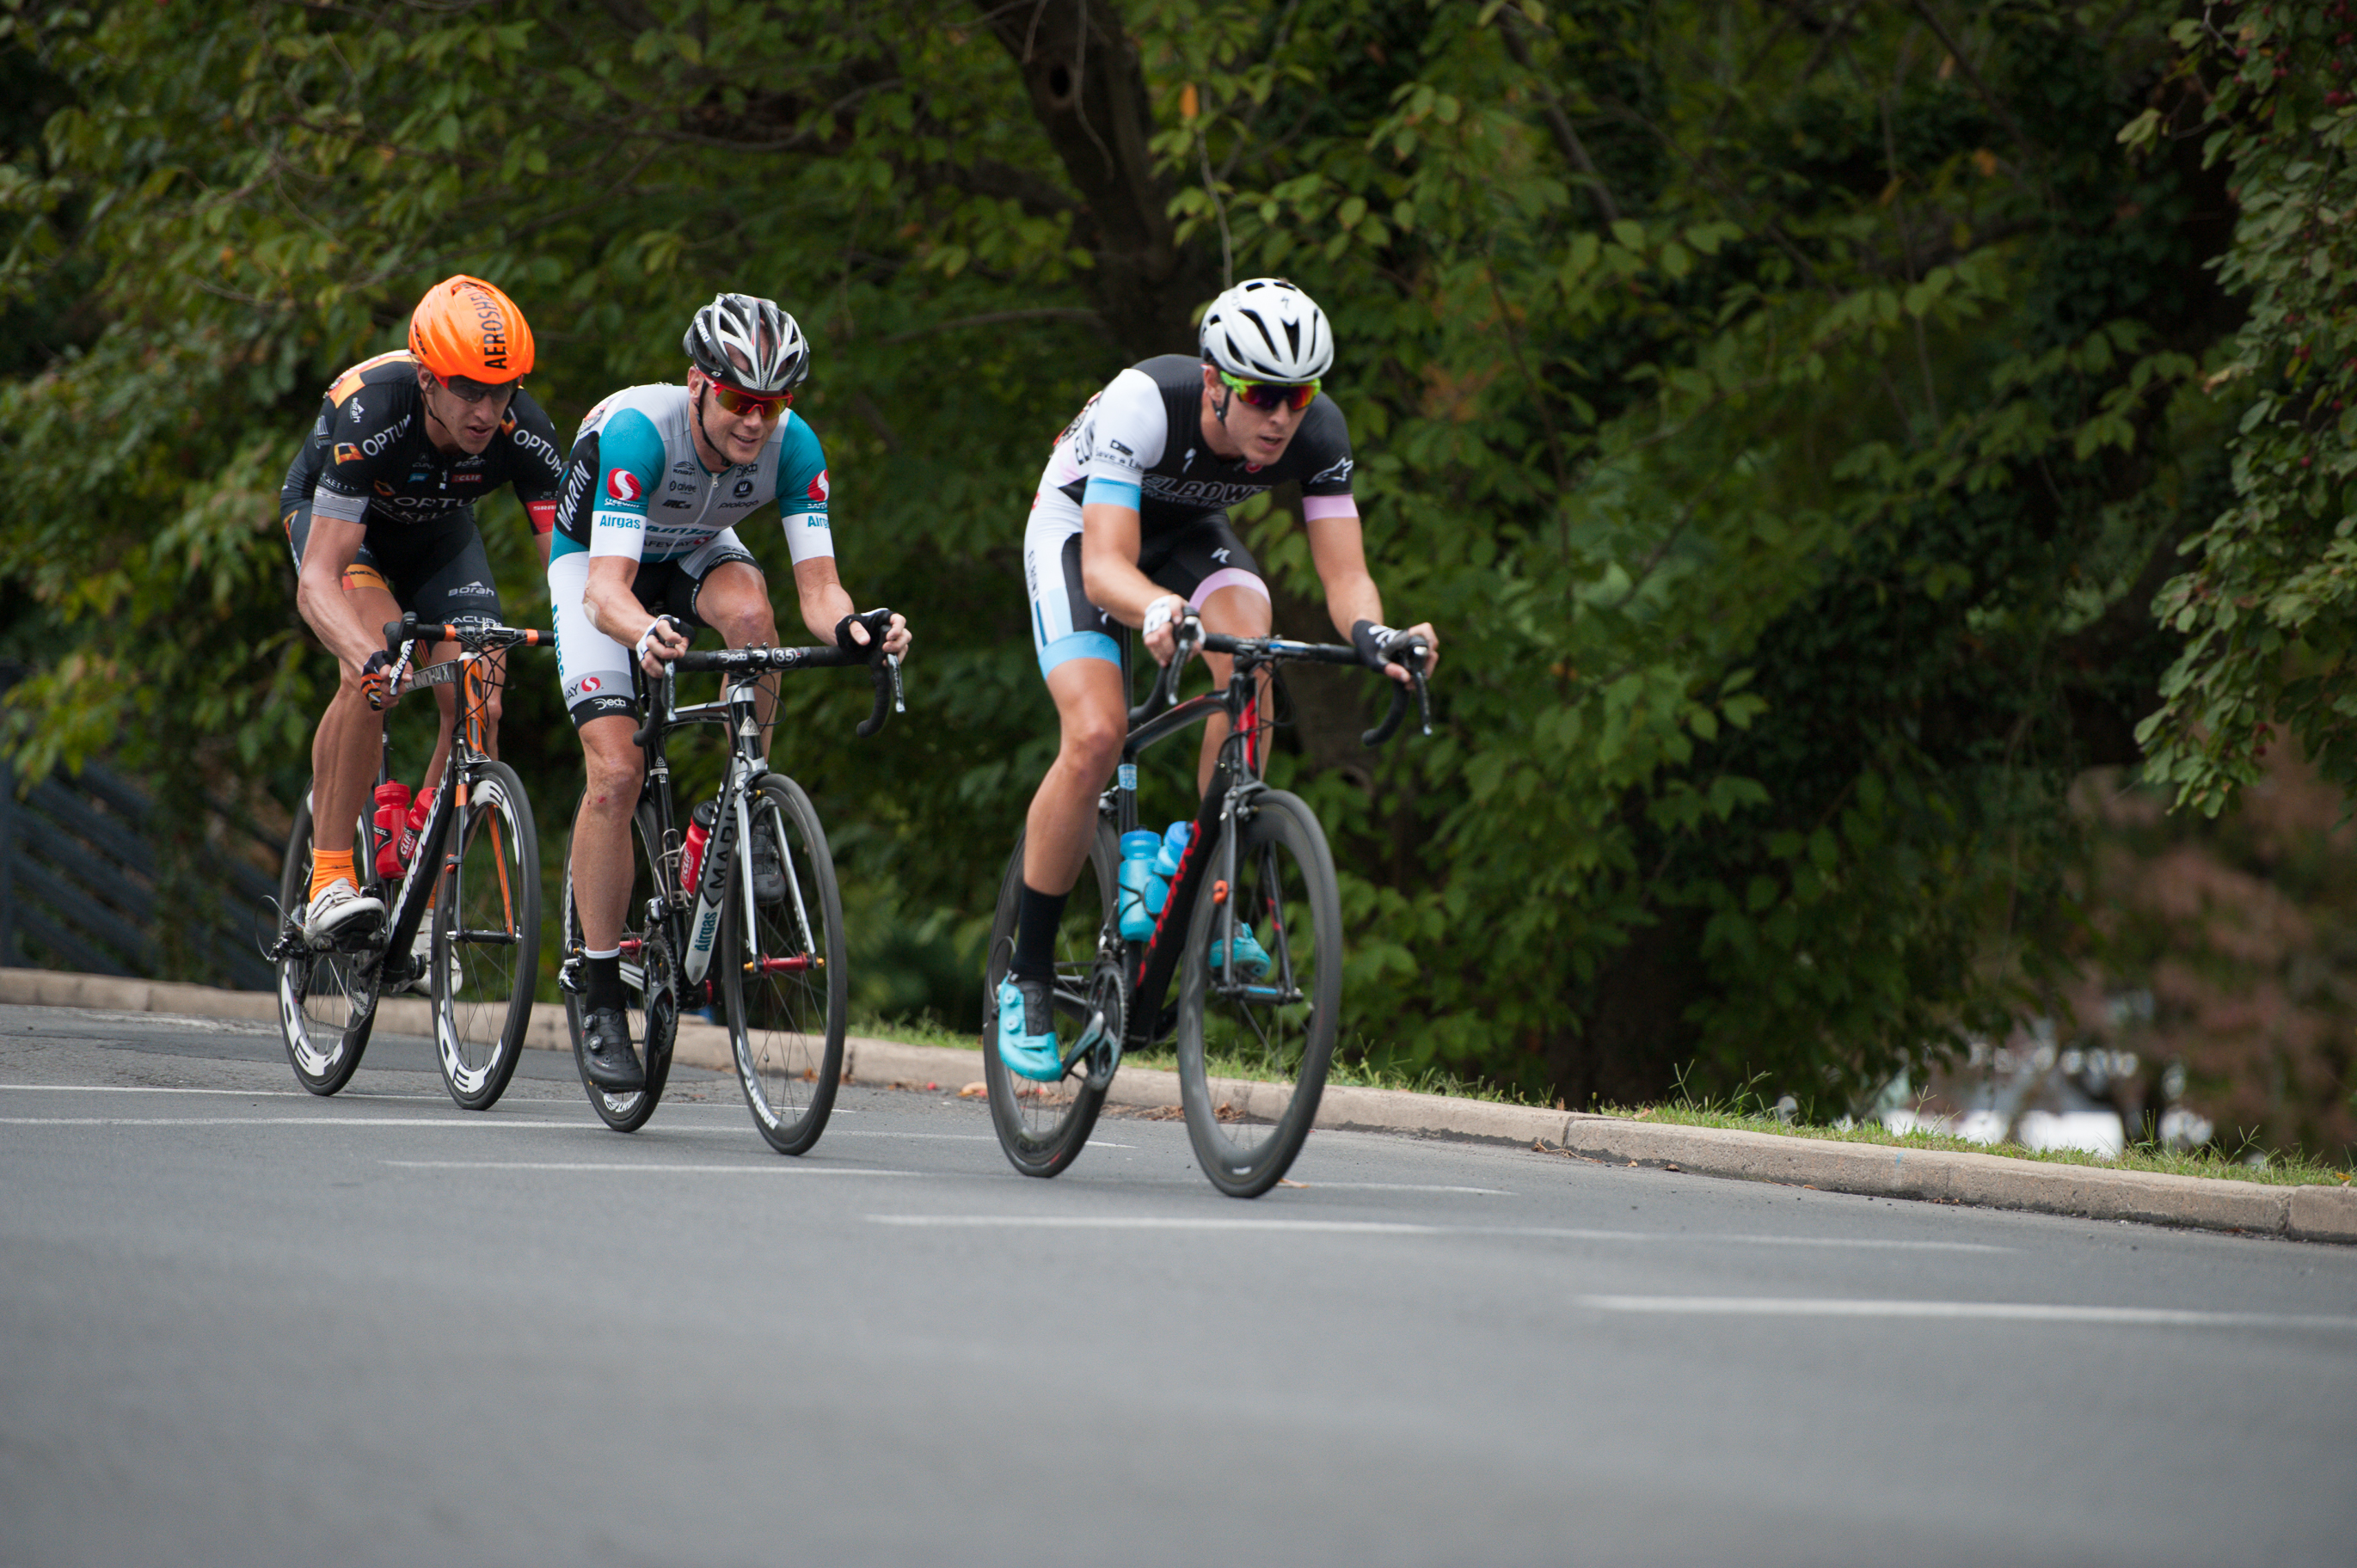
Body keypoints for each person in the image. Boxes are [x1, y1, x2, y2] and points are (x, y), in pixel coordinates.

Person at [997, 276, 1439, 1078]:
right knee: (1095, 735)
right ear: (1213, 381)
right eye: (1261, 394)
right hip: (1081, 530)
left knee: (1252, 656)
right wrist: (1156, 608)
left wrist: (1378, 635)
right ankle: (1025, 976)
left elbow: (1346, 577)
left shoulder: (1317, 432)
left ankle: (1210, 874)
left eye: (1298, 396)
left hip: (1188, 534)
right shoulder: (1144, 402)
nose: (1280, 417)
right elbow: (1105, 567)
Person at [551, 291, 911, 1091]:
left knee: (754, 617)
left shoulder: (794, 445)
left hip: (695, 545)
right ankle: (602, 991)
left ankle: (737, 801)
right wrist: (643, 631)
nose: (756, 421)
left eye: (773, 404)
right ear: (697, 385)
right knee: (615, 772)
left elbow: (820, 592)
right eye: (739, 400)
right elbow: (604, 592)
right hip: (599, 565)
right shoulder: (639, 433)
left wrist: (857, 629)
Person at [282, 274, 562, 951]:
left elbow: (571, 570)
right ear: (429, 379)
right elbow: (317, 581)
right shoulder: (373, 411)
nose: (486, 411)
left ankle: (421, 878)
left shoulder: (524, 430)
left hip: (438, 535)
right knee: (376, 668)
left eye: (502, 390)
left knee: (481, 696)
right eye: (468, 389)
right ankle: (329, 882)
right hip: (342, 531)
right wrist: (366, 657)